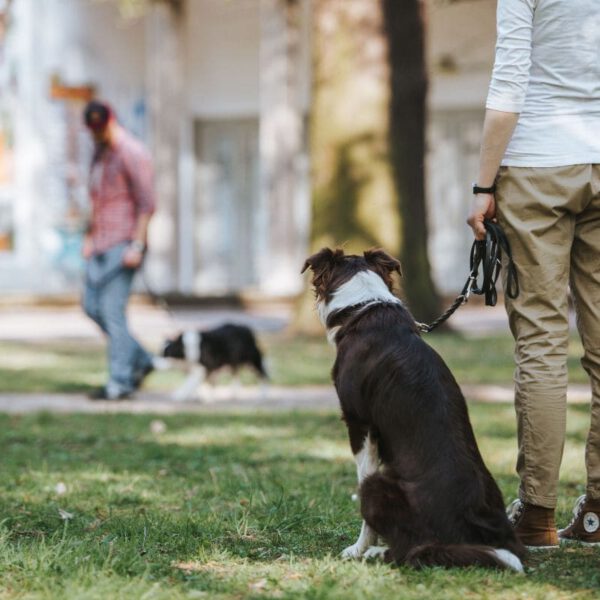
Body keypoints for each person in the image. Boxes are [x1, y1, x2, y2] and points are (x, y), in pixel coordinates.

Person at [468, 0, 600, 549]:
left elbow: (509, 83)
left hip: (537, 164)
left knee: (542, 345)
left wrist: (482, 185)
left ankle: (538, 516)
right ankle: (597, 513)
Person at [82, 100, 156, 400]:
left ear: (112, 121)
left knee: (112, 311)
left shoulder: (132, 152)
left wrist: (137, 245)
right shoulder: (99, 154)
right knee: (91, 306)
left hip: (124, 243)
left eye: (102, 128)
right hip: (99, 243)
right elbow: (97, 199)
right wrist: (89, 236)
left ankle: (120, 382)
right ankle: (142, 359)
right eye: (93, 130)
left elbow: (147, 204)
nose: (98, 134)